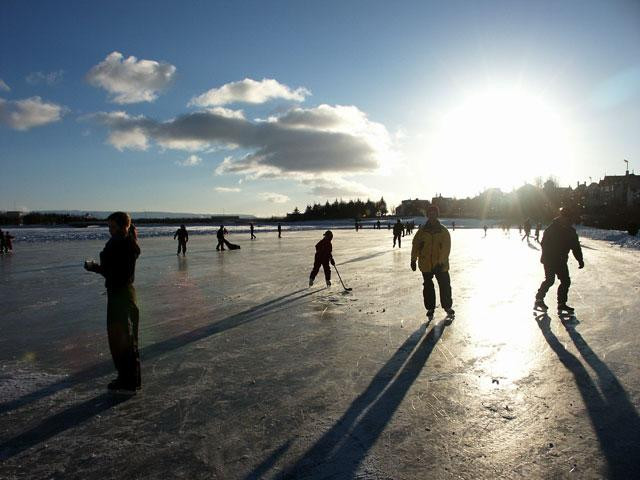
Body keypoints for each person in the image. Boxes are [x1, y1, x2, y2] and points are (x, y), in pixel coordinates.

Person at [84, 212, 141, 393]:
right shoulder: (124, 242)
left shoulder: (122, 244)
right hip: (122, 294)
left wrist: (95, 268)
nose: (109, 230)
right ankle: (127, 378)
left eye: (111, 226)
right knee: (122, 339)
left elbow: (116, 273)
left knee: (123, 340)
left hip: (121, 296)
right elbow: (115, 270)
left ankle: (129, 381)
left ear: (121, 226)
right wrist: (98, 268)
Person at [534, 208, 584, 314]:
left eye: (569, 218)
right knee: (550, 280)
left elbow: (575, 246)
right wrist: (551, 254)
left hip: (560, 260)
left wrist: (580, 260)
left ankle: (561, 304)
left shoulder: (570, 230)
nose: (567, 220)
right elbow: (544, 244)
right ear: (562, 216)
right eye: (565, 217)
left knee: (565, 281)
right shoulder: (552, 228)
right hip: (550, 259)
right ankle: (539, 300)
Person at [411, 206, 454, 318]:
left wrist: (440, 263)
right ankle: (430, 308)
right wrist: (413, 259)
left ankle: (447, 306)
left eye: (434, 213)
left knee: (445, 286)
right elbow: (415, 245)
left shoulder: (443, 231)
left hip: (441, 266)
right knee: (428, 287)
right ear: (427, 215)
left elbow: (446, 248)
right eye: (430, 213)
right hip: (426, 265)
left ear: (437, 214)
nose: (432, 215)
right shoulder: (422, 231)